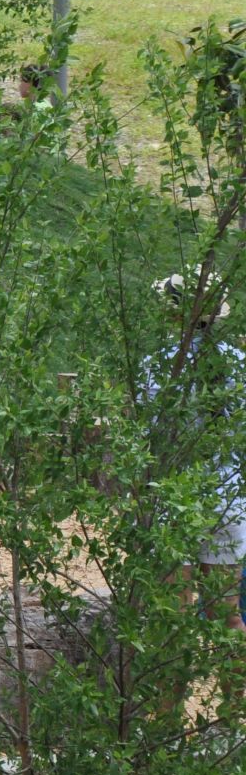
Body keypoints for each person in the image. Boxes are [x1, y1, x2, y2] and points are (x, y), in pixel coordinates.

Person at [148, 272, 244, 634]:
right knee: (228, 616)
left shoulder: (158, 366)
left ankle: (168, 692)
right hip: (225, 499)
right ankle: (237, 692)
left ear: (173, 315)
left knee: (172, 616)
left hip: (173, 498)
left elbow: (149, 437)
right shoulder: (240, 364)